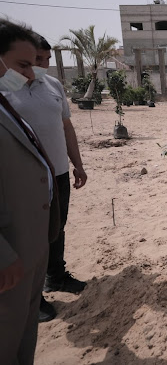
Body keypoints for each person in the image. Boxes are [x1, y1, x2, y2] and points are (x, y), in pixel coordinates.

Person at [3, 35, 88, 322]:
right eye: (35, 60)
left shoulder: (53, 86)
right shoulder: (7, 87)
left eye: (46, 60)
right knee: (29, 237)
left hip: (58, 174)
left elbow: (66, 127)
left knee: (56, 227)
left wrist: (77, 164)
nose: (40, 67)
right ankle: (33, 297)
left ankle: (56, 276)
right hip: (25, 180)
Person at [0, 19, 60, 365]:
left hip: (28, 244)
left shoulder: (7, 104)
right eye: (23, 64)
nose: (31, 74)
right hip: (8, 255)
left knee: (22, 335)